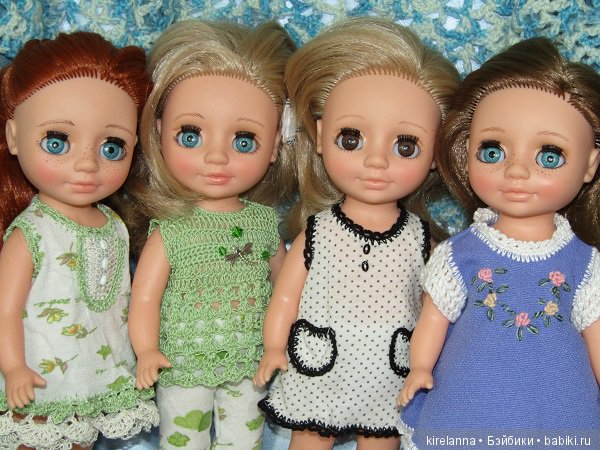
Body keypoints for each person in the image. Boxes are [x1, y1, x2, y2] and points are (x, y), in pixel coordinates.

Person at [253, 17, 459, 450]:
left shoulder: (421, 240)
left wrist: (431, 365)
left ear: (436, 154)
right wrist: (274, 345)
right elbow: (286, 296)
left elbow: (438, 308)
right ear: (321, 136)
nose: (377, 162)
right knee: (309, 438)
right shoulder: (318, 231)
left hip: (389, 371)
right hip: (319, 365)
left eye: (405, 146)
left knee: (381, 439)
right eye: (352, 139)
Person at [398, 37, 600, 449]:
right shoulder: (460, 255)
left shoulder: (583, 263)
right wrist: (420, 367)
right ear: (466, 149)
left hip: (557, 408)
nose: (516, 171)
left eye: (549, 156)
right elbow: (434, 318)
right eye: (493, 151)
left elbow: (596, 333)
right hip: (469, 401)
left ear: (589, 166)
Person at [126, 20, 295, 450]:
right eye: (191, 135)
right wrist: (147, 350)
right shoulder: (172, 230)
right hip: (182, 360)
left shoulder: (263, 223)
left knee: (244, 438)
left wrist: (278, 344)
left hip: (249, 359)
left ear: (275, 145)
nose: (216, 156)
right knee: (184, 438)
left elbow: (285, 288)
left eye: (244, 140)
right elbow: (144, 297)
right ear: (159, 132)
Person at [0, 32, 158, 449]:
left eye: (112, 147)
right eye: (57, 142)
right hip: (40, 374)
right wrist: (13, 367)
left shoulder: (115, 225)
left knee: (81, 441)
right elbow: (5, 309)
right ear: (14, 137)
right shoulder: (32, 231)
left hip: (98, 373)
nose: (86, 164)